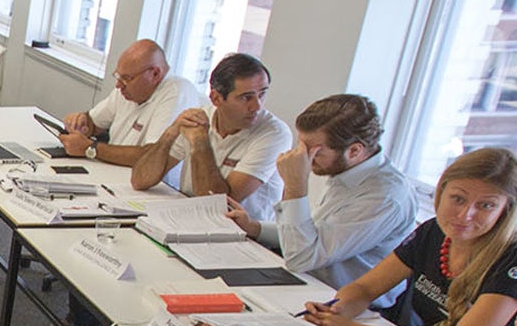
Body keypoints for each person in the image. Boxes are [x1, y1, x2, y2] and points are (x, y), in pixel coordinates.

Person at [305, 146, 517, 326]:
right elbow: (365, 289)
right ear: (441, 192)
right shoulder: (433, 231)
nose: (465, 215)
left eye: (486, 205)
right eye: (458, 199)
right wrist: (338, 310)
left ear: (505, 210)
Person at [231, 92, 422, 292]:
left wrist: (295, 186)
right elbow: (311, 235)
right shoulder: (347, 170)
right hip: (309, 283)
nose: (301, 156)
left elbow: (302, 257)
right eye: (301, 145)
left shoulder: (384, 197)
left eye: (314, 150)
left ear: (354, 151)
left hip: (342, 302)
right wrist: (255, 228)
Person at [130, 51, 287, 223]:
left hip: (241, 234)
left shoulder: (274, 134)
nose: (257, 106)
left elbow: (217, 205)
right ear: (216, 98)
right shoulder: (200, 116)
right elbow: (140, 180)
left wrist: (200, 144)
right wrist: (170, 133)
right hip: (190, 218)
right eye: (246, 97)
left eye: (262, 94)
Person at [57, 38, 204, 169]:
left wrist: (91, 148)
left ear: (155, 74)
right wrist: (81, 123)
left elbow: (153, 156)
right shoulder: (126, 90)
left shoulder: (177, 93)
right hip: (112, 172)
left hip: (152, 190)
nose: (118, 85)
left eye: (127, 78)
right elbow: (94, 123)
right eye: (118, 76)